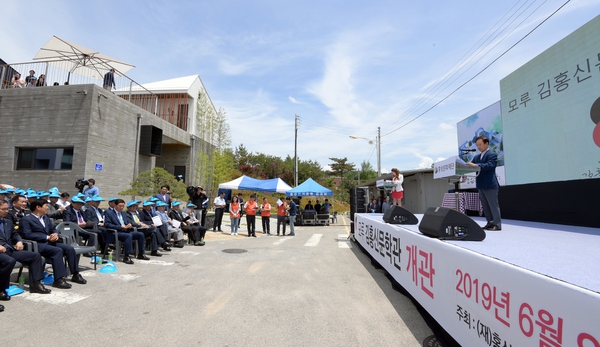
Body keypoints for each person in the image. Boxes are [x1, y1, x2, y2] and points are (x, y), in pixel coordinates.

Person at [20, 199, 87, 288]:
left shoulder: (45, 218)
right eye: (46, 206)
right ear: (38, 207)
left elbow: (53, 228)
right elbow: (27, 234)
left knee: (69, 249)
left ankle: (75, 274)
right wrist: (47, 237)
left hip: (49, 243)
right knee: (57, 250)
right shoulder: (26, 219)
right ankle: (59, 279)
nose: (47, 208)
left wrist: (55, 234)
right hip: (37, 244)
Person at [0, 200, 52, 306]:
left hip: (10, 250)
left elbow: (15, 234)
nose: (6, 211)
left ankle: (36, 284)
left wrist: (19, 241)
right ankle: (1, 289)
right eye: (3, 209)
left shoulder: (7, 222)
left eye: (7, 209)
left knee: (35, 256)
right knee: (10, 261)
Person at [467, 135, 501, 231]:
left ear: (487, 143)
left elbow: (490, 165)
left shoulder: (492, 154)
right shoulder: (477, 156)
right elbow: (471, 165)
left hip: (490, 184)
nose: (478, 147)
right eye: (477, 145)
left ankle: (497, 225)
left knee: (493, 206)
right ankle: (489, 223)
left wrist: (477, 165)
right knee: (485, 206)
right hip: (481, 184)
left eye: (480, 145)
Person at [103, 199, 145, 264]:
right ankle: (126, 256)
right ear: (115, 205)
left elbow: (127, 222)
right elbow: (107, 224)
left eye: (123, 206)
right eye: (120, 206)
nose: (121, 208)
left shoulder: (123, 213)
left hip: (125, 231)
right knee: (128, 236)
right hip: (114, 232)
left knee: (140, 234)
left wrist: (129, 225)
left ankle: (141, 253)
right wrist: (120, 227)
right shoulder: (109, 213)